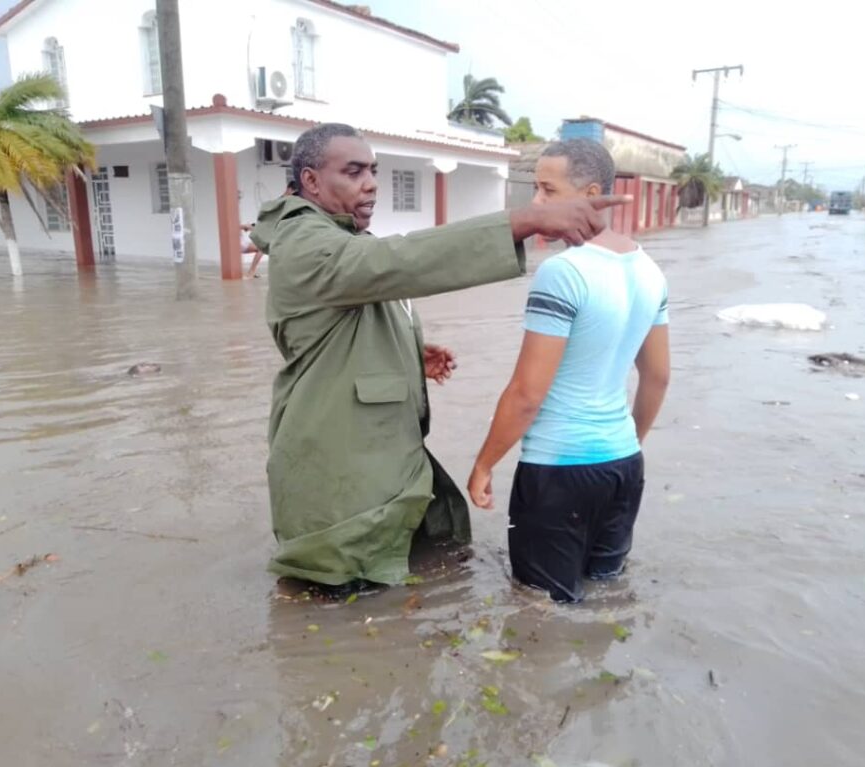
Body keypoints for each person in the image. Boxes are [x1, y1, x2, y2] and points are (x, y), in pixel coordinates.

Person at [249, 123, 630, 591]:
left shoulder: (338, 235)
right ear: (310, 180)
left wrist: (406, 352)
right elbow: (393, 263)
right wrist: (524, 221)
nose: (371, 184)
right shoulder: (303, 239)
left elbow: (345, 312)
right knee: (340, 602)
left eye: (373, 171)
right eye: (353, 172)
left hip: (369, 465)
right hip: (339, 477)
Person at [466, 138, 671, 603]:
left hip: (558, 471)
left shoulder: (562, 272)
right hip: (623, 465)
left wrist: (483, 464)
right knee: (607, 600)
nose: (537, 203)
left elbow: (527, 393)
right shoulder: (650, 271)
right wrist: (626, 446)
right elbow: (658, 377)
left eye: (548, 190)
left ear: (592, 194)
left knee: (540, 612)